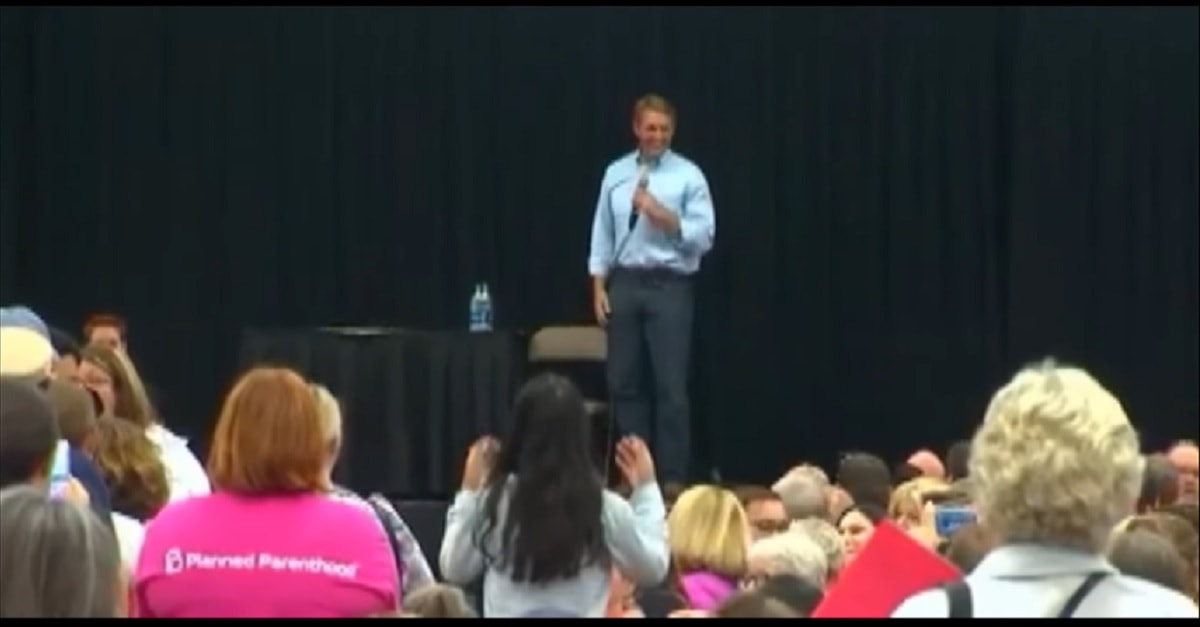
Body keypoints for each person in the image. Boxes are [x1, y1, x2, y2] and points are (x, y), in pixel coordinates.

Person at [587, 93, 716, 484]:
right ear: (636, 128)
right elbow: (602, 234)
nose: (657, 136)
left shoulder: (689, 176)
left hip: (669, 284)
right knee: (624, 385)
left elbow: (705, 236)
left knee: (669, 386)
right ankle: (634, 477)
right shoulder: (615, 173)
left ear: (673, 131)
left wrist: (662, 215)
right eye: (651, 128)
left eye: (664, 129)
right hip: (625, 282)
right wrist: (599, 286)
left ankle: (671, 479)